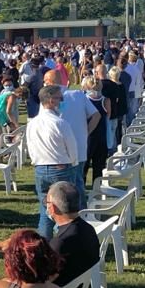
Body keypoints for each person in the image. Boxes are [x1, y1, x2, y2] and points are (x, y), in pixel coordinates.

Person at [27, 85, 79, 238]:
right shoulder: (60, 123)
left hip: (40, 167)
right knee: (65, 209)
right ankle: (65, 240)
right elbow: (72, 147)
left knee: (46, 208)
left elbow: (30, 146)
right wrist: (73, 163)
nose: (61, 101)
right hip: (60, 167)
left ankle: (45, 242)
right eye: (58, 98)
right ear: (51, 101)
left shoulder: (32, 123)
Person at [43, 69, 99, 208]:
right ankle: (82, 211)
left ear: (50, 82)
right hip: (79, 146)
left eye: (45, 82)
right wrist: (86, 132)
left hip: (60, 151)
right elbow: (96, 115)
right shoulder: (78, 95)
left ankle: (67, 212)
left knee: (62, 189)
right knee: (78, 183)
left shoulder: (48, 99)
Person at [81, 76, 110, 183]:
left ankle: (81, 188)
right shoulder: (106, 100)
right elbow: (108, 116)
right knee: (99, 167)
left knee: (83, 166)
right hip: (102, 136)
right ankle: (97, 189)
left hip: (88, 136)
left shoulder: (84, 99)